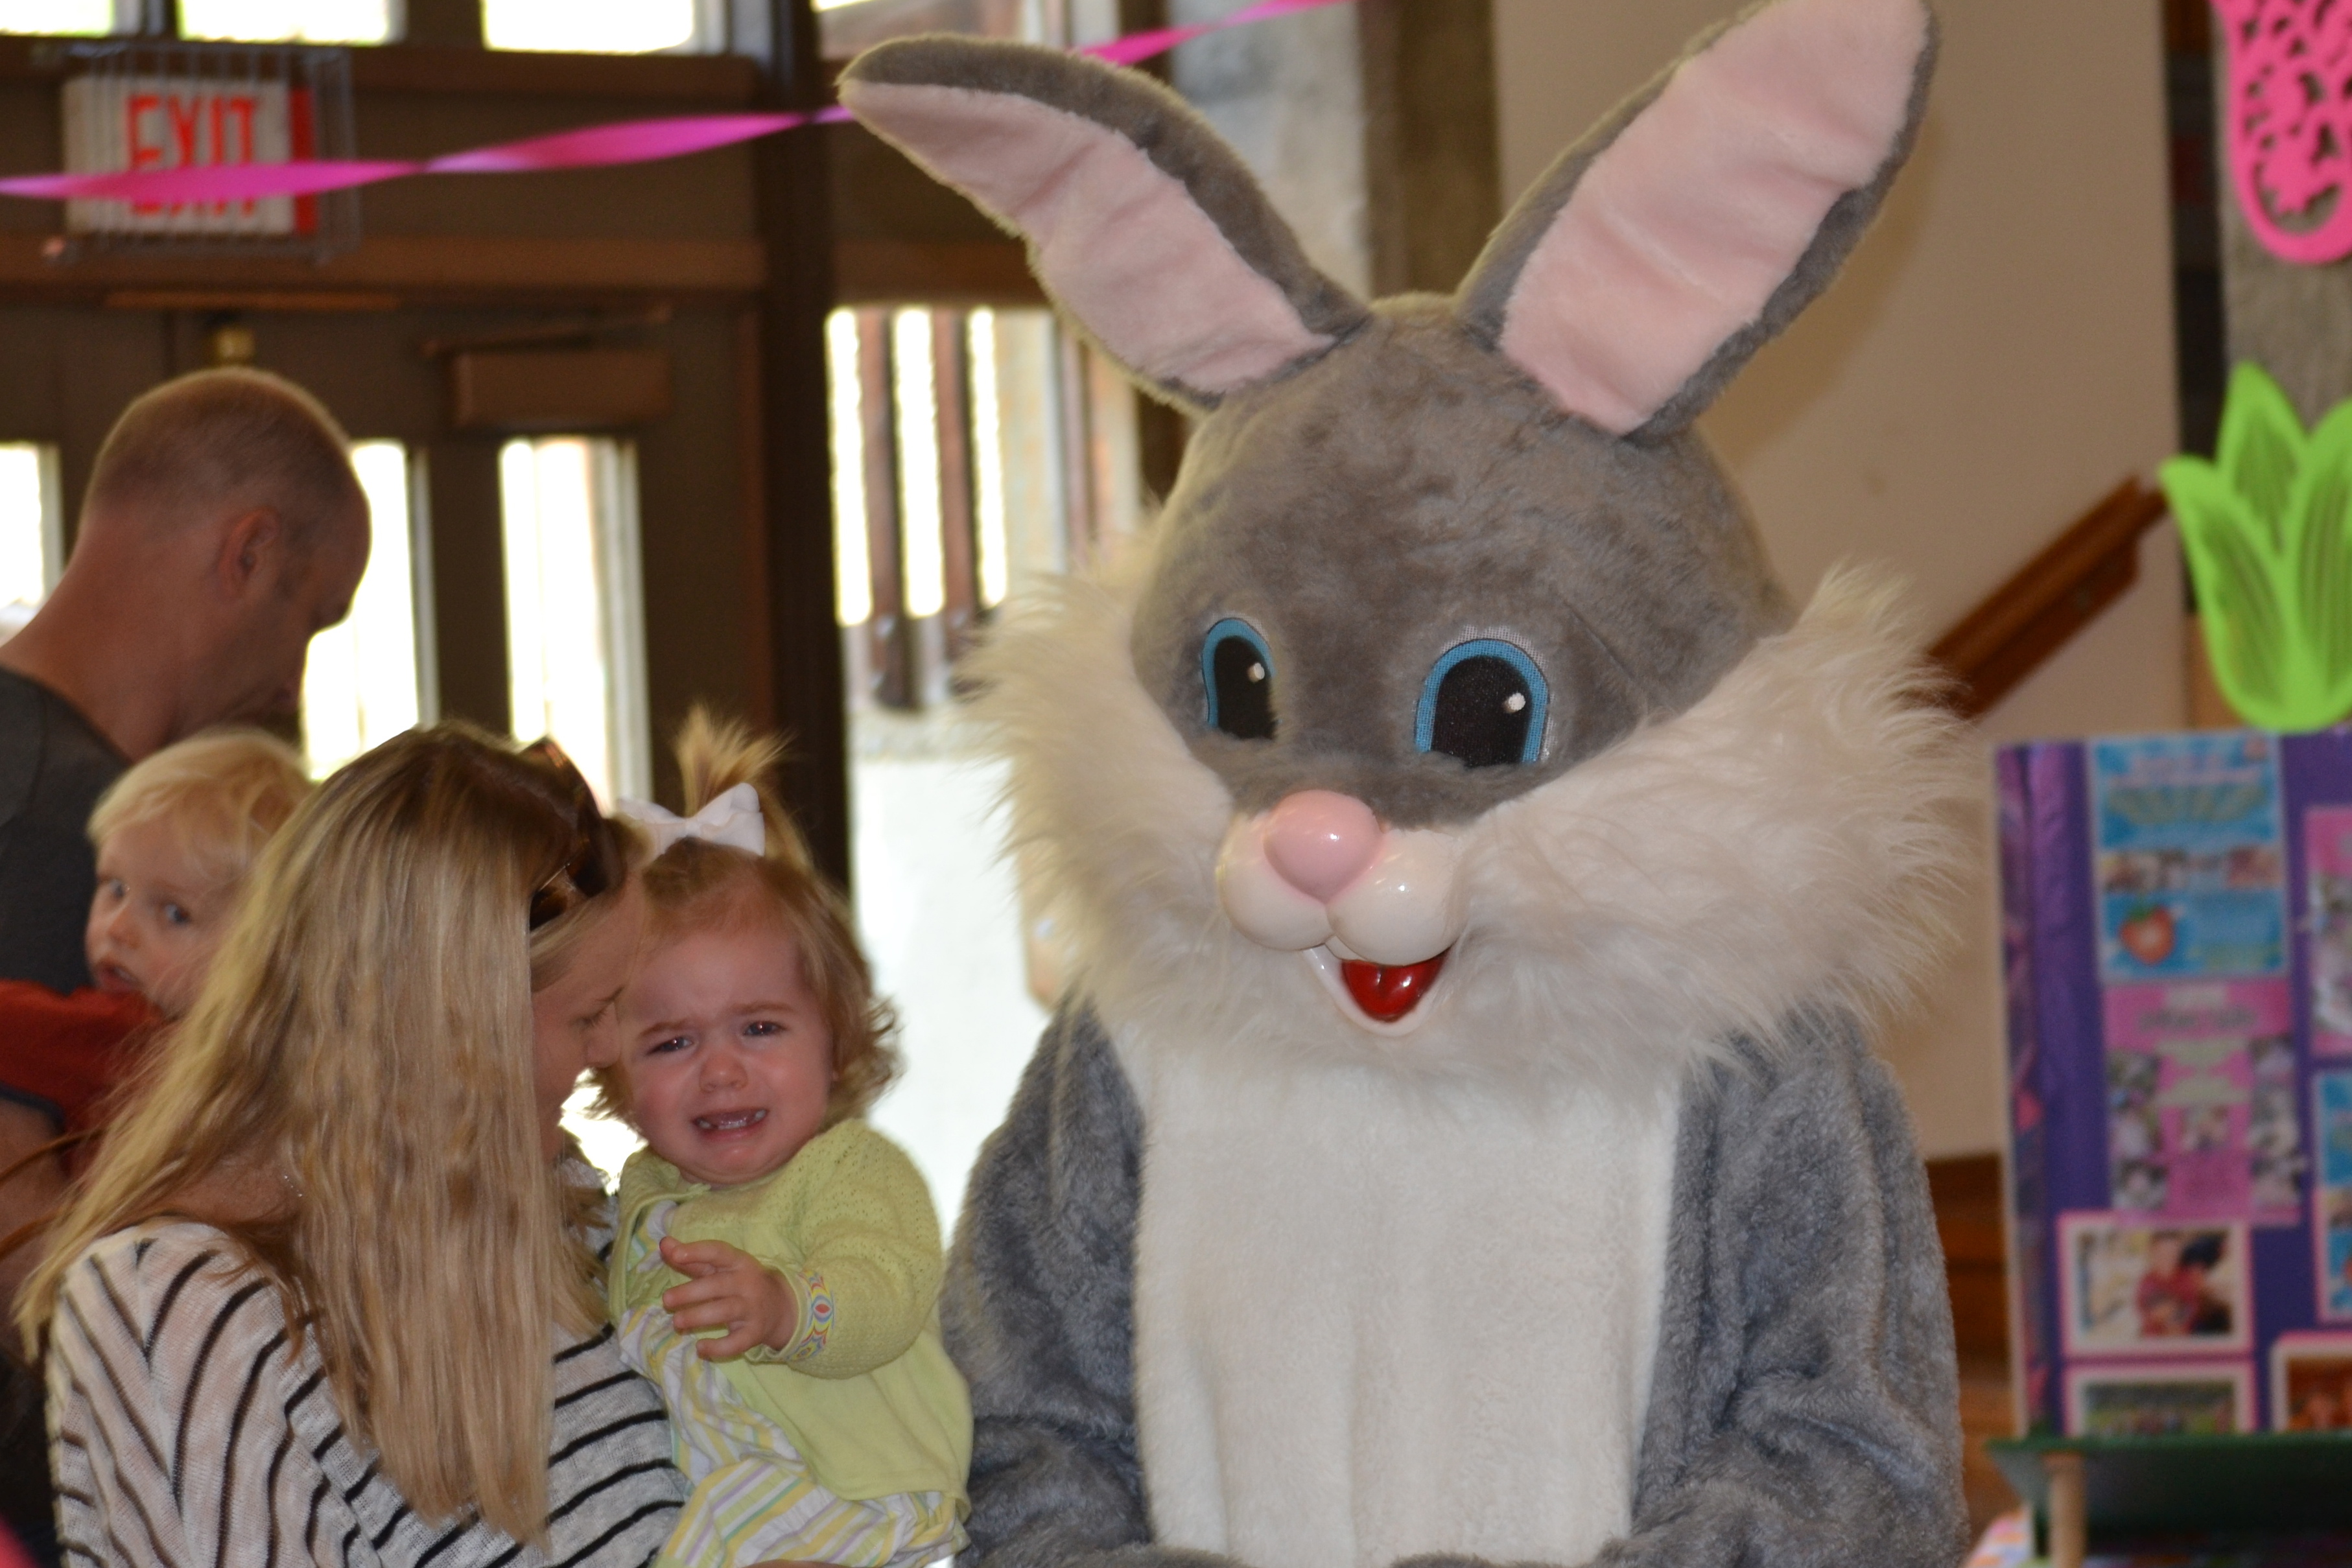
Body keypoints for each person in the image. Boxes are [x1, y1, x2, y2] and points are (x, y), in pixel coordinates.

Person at [18, 726, 685, 1567]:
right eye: (590, 1014)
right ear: (446, 1030)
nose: (611, 1048)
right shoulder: (182, 1307)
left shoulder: (560, 1197)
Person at [0, 369, 367, 1563]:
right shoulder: (67, 826)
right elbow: (24, 1239)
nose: (294, 680)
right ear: (248, 553)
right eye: (313, 619)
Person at [593, 712, 969, 1568]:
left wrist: (787, 1307)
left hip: (850, 1491)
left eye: (760, 1028)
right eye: (672, 1043)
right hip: (736, 1489)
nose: (722, 1072)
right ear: (613, 1069)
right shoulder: (641, 1196)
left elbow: (889, 1285)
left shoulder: (849, 1168)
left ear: (836, 1039)